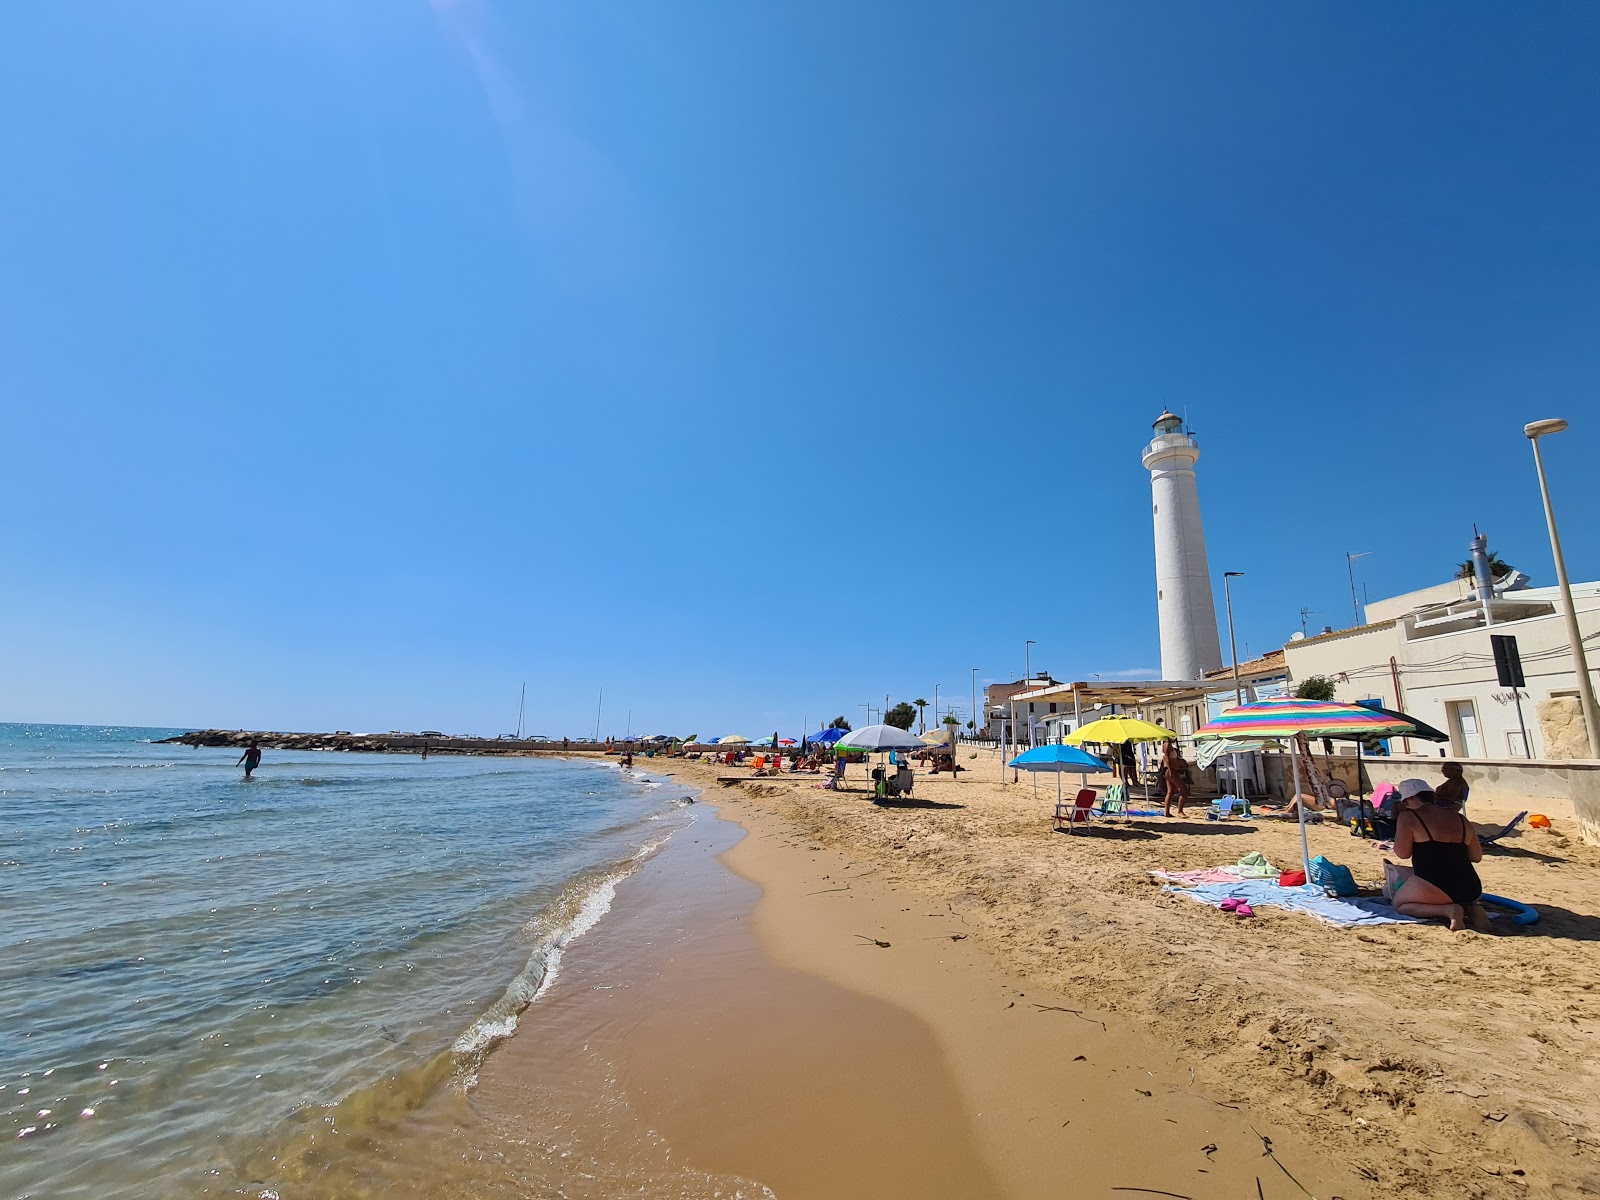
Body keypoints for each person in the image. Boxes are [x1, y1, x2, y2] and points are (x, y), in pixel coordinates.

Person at [1391, 778, 1487, 932]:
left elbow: (1402, 853)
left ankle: (1448, 910)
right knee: (1459, 893)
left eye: (1405, 802)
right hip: (1471, 886)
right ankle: (1470, 907)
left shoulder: (1409, 817)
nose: (1405, 806)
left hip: (1434, 882)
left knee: (1400, 904)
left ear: (1411, 798)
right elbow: (1476, 856)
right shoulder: (1461, 819)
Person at [1161, 740, 1190, 817]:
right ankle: (1180, 811)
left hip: (1172, 770)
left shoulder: (1170, 746)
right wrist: (1170, 769)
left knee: (1170, 792)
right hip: (1170, 770)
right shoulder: (1167, 744)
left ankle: (1167, 812)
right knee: (1185, 791)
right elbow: (1166, 757)